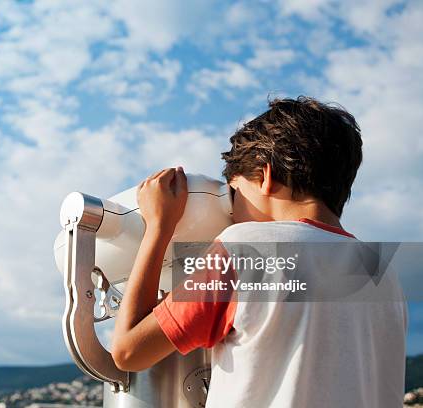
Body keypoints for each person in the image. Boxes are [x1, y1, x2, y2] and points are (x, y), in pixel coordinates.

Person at [111, 96, 407, 407]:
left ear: (265, 176)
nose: (232, 213)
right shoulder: (382, 272)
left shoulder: (245, 246)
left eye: (235, 194)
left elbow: (129, 351)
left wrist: (158, 227)